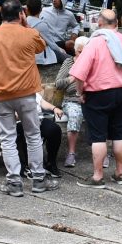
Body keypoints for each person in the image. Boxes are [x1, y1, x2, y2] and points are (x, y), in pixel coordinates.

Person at [0, 0, 53, 197]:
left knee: (7, 138)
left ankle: (14, 182)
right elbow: (41, 46)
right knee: (33, 135)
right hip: (26, 93)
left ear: (2, 16)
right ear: (20, 14)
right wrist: (25, 25)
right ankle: (38, 179)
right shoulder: (30, 34)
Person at [70, 8, 122, 187]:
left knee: (98, 136)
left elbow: (79, 75)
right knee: (119, 133)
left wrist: (81, 93)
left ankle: (98, 177)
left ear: (99, 23)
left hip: (98, 94)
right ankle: (120, 173)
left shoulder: (94, 43)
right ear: (117, 24)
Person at [53, 36, 88, 167]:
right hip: (72, 100)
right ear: (75, 51)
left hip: (91, 98)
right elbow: (58, 84)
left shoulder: (94, 62)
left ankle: (104, 153)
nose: (82, 55)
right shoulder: (69, 62)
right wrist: (72, 78)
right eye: (80, 52)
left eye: (86, 52)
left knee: (104, 113)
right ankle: (71, 153)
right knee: (75, 114)